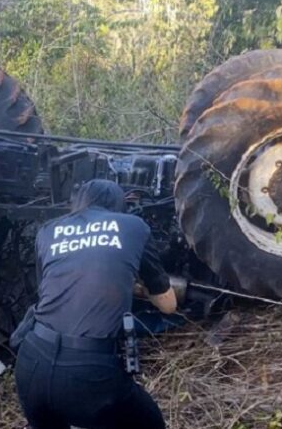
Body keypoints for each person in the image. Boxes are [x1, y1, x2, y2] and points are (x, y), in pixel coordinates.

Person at [14, 179, 177, 429]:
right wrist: (131, 284)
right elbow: (168, 305)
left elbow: (48, 290)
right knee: (150, 422)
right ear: (120, 204)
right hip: (89, 372)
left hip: (31, 363)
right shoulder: (133, 226)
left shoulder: (48, 229)